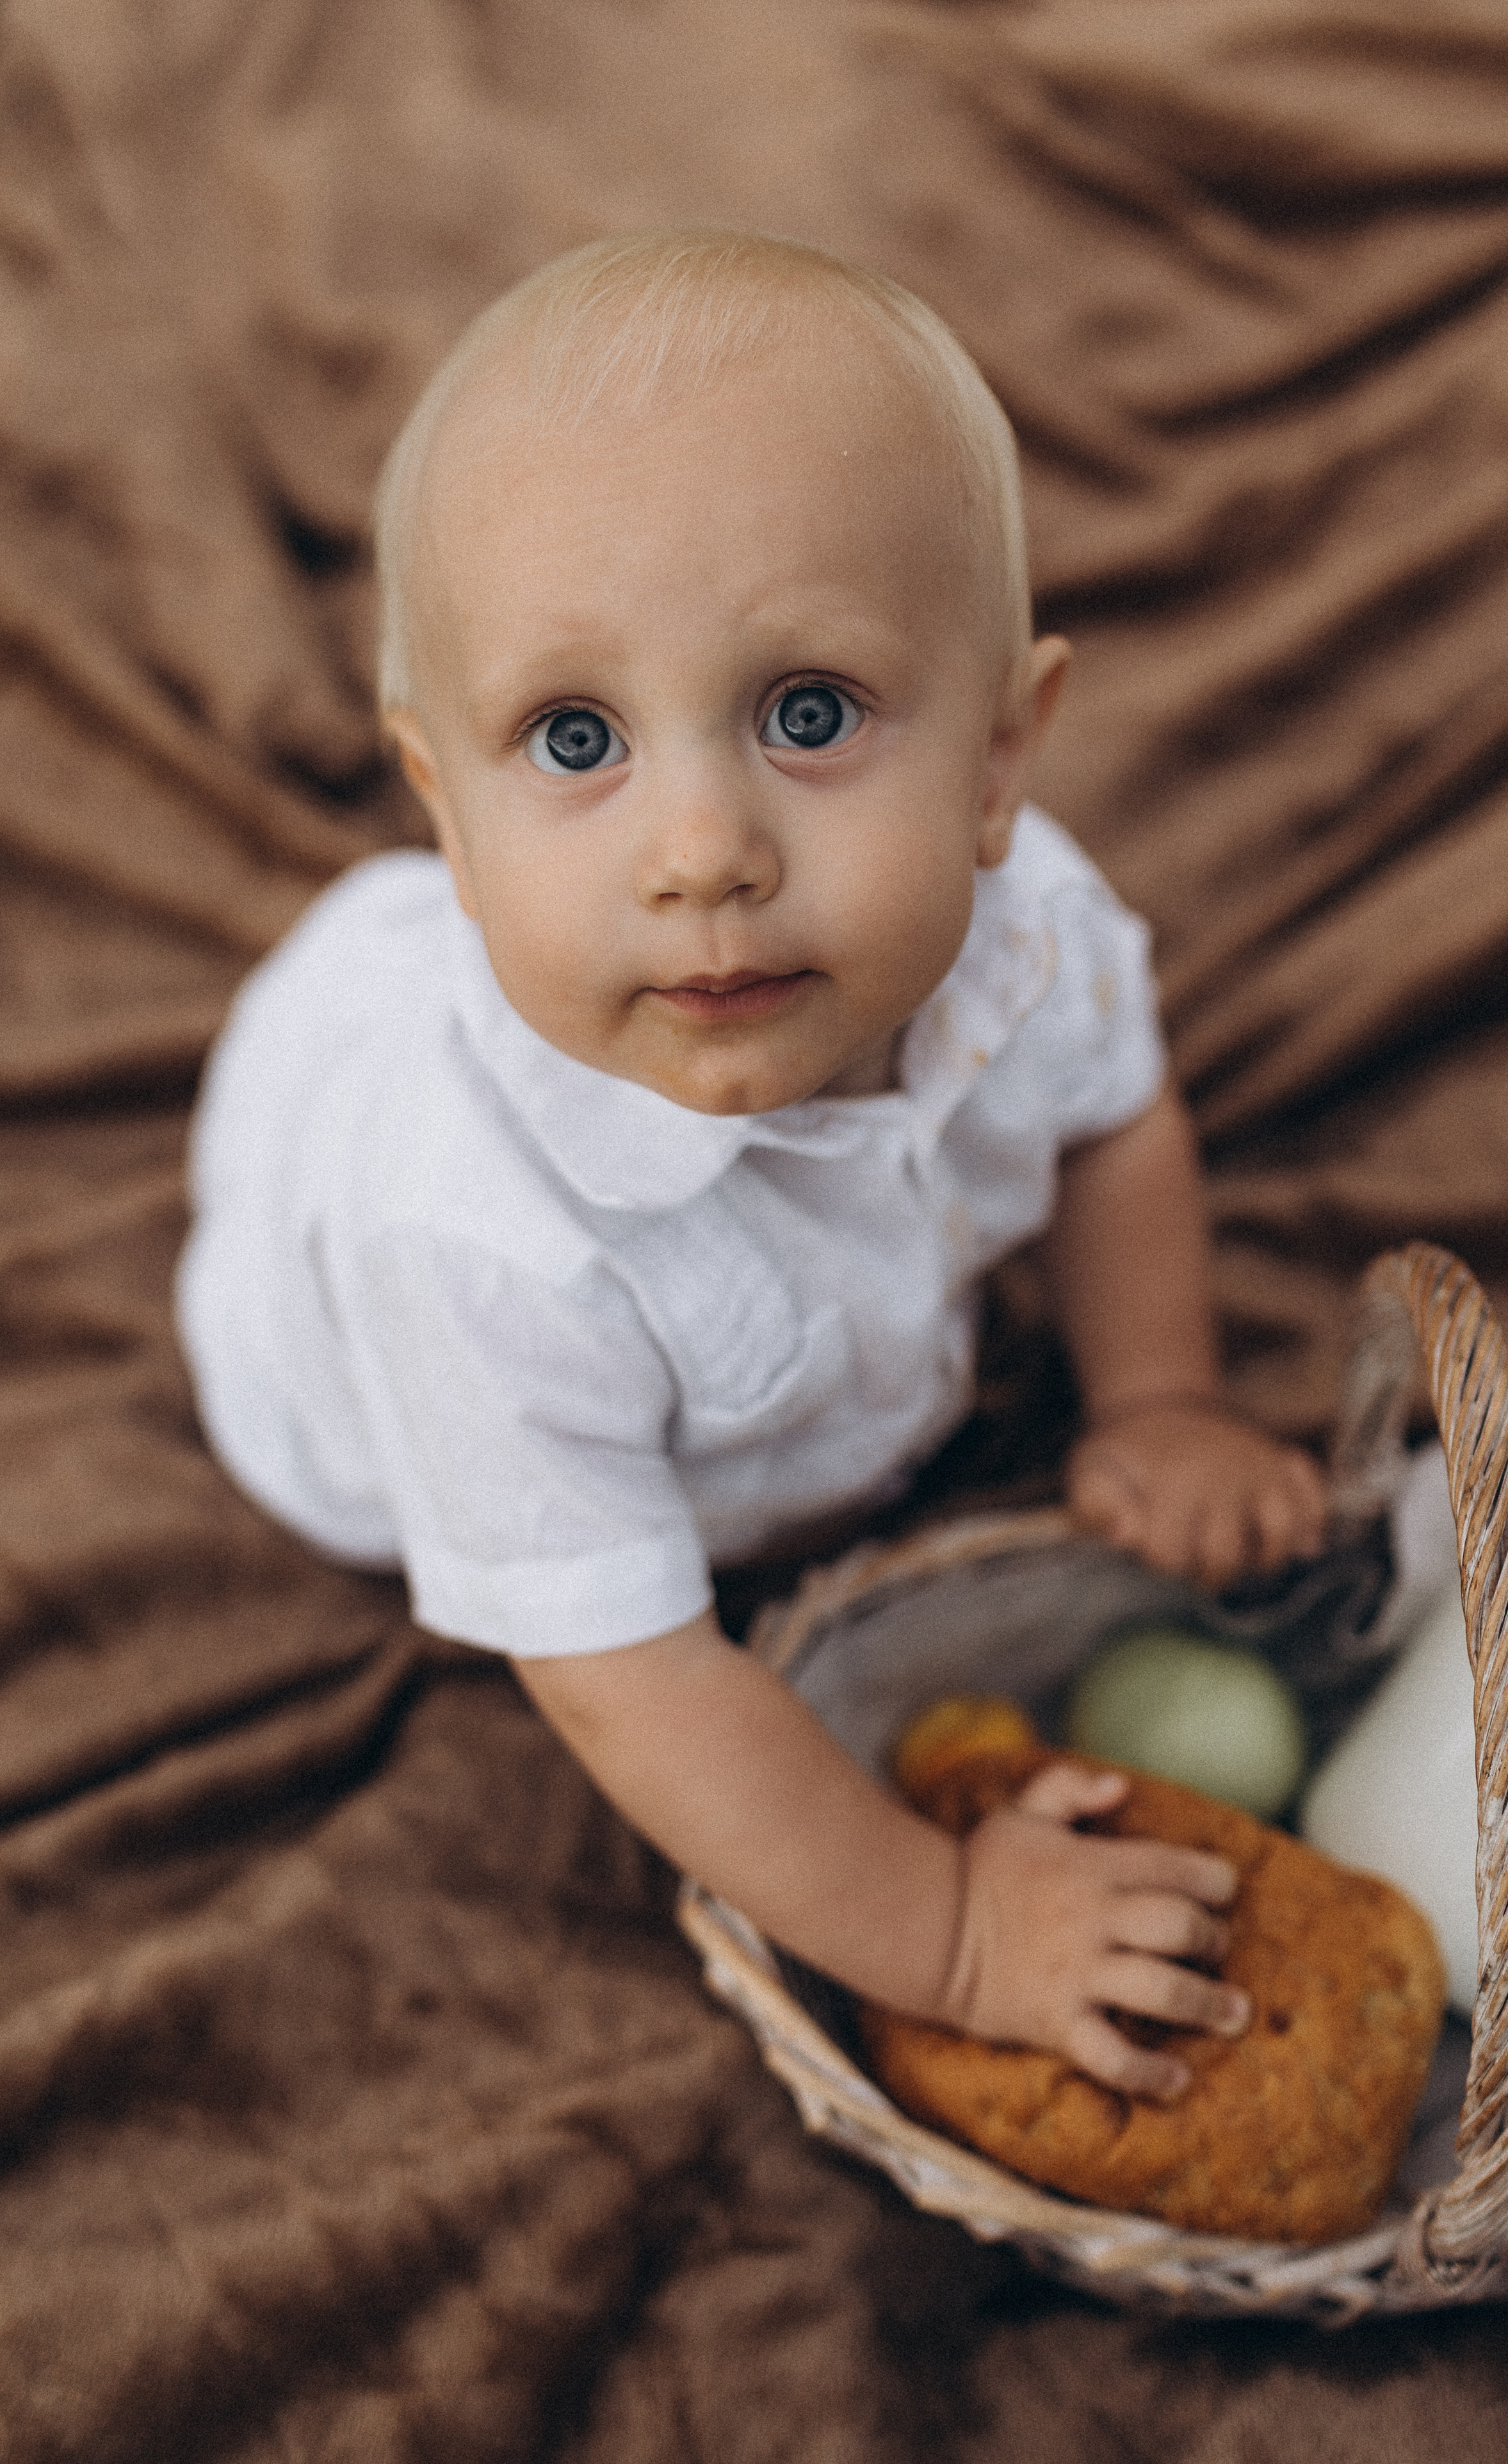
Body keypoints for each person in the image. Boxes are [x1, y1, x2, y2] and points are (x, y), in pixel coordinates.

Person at [177, 231, 1329, 2101]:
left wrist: (1167, 1394)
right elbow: (638, 1684)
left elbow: (1120, 1120)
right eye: (576, 739)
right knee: (538, 1516)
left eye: (809, 713)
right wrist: (956, 1929)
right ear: (445, 813)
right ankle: (379, 965)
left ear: (999, 759)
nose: (703, 848)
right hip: (354, 1403)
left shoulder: (1023, 934)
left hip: (797, 1335)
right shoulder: (473, 1237)